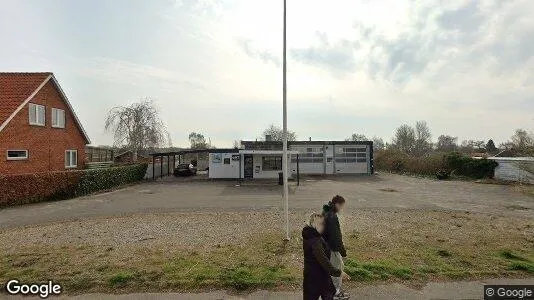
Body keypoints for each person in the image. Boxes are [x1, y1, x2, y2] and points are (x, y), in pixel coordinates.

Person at [302, 213, 350, 300]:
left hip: (314, 276)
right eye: (320, 224)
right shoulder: (315, 241)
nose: (323, 226)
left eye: (323, 224)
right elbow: (323, 260)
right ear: (313, 224)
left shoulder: (310, 236)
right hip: (316, 277)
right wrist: (338, 272)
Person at [322, 195, 349, 300]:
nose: (342, 209)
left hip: (326, 247)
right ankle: (335, 294)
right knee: (336, 272)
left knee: (332, 271)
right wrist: (343, 252)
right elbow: (336, 237)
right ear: (337, 204)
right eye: (341, 206)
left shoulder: (326, 211)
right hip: (332, 249)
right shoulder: (332, 217)